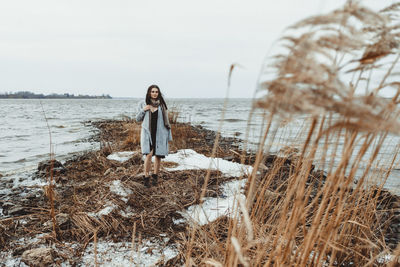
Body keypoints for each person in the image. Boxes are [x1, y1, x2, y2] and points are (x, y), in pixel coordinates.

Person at [136, 85, 172, 187]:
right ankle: (146, 176)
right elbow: (137, 119)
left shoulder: (162, 105)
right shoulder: (143, 104)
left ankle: (155, 177)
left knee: (158, 156)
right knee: (148, 154)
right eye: (152, 91)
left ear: (158, 93)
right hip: (148, 133)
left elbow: (167, 122)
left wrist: (168, 135)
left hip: (160, 133)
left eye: (156, 91)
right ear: (149, 93)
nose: (154, 93)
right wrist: (143, 110)